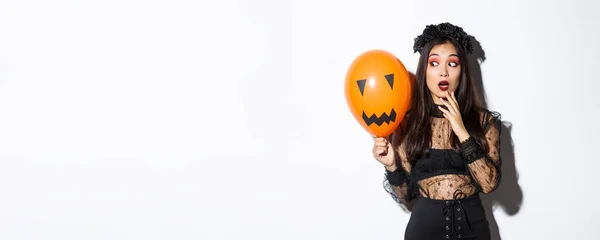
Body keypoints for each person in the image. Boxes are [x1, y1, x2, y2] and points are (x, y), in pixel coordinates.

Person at [372, 22, 502, 240]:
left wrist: (462, 131)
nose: (443, 72)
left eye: (452, 63)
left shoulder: (483, 121)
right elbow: (406, 196)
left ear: (462, 71)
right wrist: (392, 166)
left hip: (473, 231)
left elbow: (489, 184)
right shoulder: (408, 123)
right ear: (424, 70)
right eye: (434, 63)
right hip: (423, 230)